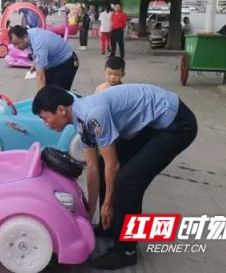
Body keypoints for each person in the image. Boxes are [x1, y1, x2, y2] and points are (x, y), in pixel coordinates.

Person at [32, 84, 197, 269]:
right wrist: (91, 210)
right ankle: (108, 227)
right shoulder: (80, 121)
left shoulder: (93, 115)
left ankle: (126, 251)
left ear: (60, 110)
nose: (45, 124)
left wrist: (108, 204)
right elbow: (93, 167)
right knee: (104, 166)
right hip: (153, 124)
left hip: (177, 123)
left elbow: (114, 166)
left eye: (44, 118)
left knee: (127, 182)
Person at [8, 25, 79, 90]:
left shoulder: (38, 44)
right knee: (48, 92)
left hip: (67, 63)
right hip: (54, 63)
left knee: (59, 96)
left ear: (25, 37)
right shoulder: (29, 34)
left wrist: (40, 101)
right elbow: (35, 53)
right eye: (13, 44)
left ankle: (80, 102)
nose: (16, 47)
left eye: (17, 44)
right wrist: (36, 63)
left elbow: (40, 76)